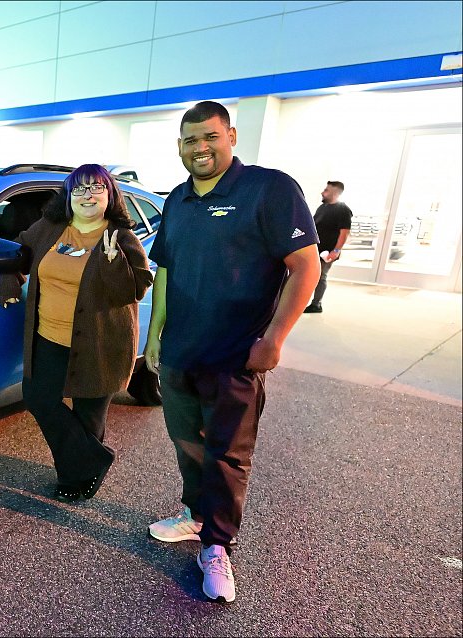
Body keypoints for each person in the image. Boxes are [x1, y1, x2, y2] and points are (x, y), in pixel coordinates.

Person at [143, 101, 320, 603]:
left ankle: (217, 546)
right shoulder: (177, 199)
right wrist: (155, 334)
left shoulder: (269, 189)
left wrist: (275, 339)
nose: (200, 147)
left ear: (232, 136)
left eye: (209, 137)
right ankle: (196, 516)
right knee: (188, 444)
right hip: (180, 352)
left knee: (228, 455)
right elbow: (166, 271)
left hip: (235, 355)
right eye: (189, 140)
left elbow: (305, 267)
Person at [0, 164, 154, 503]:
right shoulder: (50, 228)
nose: (87, 195)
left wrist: (113, 260)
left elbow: (134, 289)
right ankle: (94, 461)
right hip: (49, 337)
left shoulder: (120, 236)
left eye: (96, 188)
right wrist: (9, 279)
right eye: (79, 188)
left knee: (89, 414)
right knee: (39, 397)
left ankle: (76, 477)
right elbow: (18, 251)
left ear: (109, 195)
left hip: (101, 343)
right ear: (69, 196)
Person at [304, 181, 352, 313]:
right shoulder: (322, 208)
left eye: (326, 190)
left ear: (335, 193)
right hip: (315, 249)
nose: (322, 192)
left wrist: (336, 251)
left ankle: (316, 304)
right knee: (310, 276)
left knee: (321, 277)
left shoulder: (343, 210)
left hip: (328, 251)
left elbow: (344, 232)